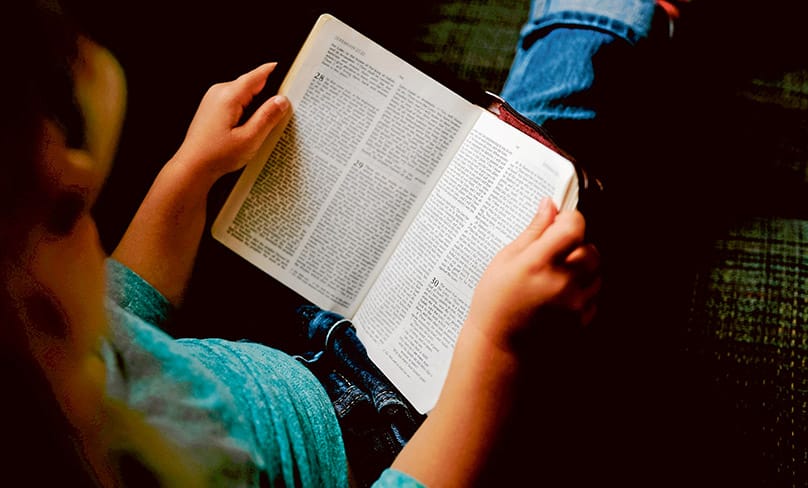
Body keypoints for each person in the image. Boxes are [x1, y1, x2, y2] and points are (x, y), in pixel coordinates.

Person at [2, 0, 601, 486]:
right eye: (66, 211)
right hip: (389, 434)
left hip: (271, 345)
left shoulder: (51, 347)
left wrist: (189, 175)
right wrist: (494, 344)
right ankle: (599, 19)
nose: (86, 178)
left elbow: (127, 308)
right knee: (546, 172)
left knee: (484, 155)